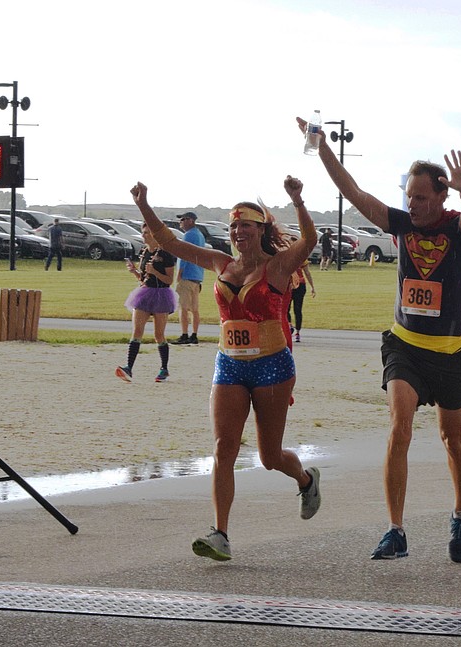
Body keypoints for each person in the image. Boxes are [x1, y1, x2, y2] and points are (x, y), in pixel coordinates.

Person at [298, 116, 461, 563]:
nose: (413, 204)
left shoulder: (458, 231)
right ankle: (395, 530)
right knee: (399, 429)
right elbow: (355, 194)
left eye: (421, 197)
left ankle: (460, 512)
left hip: (452, 354)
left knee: (451, 438)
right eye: (409, 196)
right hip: (405, 347)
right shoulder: (402, 225)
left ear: (441, 195)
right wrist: (322, 148)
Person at [130, 175, 321, 562]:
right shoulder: (221, 263)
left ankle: (305, 479)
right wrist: (143, 205)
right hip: (229, 365)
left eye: (245, 225)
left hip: (272, 367)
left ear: (260, 230)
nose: (237, 232)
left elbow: (310, 241)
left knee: (269, 457)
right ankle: (220, 533)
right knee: (223, 448)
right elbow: (169, 242)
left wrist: (298, 202)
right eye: (233, 226)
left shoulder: (279, 265)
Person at [116, 223, 178, 383]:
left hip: (161, 294)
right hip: (144, 293)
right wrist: (135, 272)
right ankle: (129, 367)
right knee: (137, 332)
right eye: (143, 233)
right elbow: (144, 279)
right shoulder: (144, 253)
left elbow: (169, 280)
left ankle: (164, 368)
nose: (143, 236)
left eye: (146, 233)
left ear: (154, 235)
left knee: (159, 334)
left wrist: (155, 271)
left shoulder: (166, 254)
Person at [170, 212, 206, 345]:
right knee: (194, 309)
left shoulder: (189, 235)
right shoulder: (200, 235)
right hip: (197, 276)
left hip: (187, 275)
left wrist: (179, 273)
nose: (181, 222)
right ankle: (194, 334)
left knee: (183, 307)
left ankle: (184, 334)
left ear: (191, 220)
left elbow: (185, 254)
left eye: (183, 219)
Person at [287, 253, 316, 344]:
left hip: (292, 285)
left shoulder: (286, 257)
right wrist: (312, 286)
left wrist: (312, 286)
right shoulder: (300, 257)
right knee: (296, 309)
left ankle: (293, 328)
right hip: (296, 284)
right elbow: (307, 272)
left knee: (289, 309)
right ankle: (295, 331)